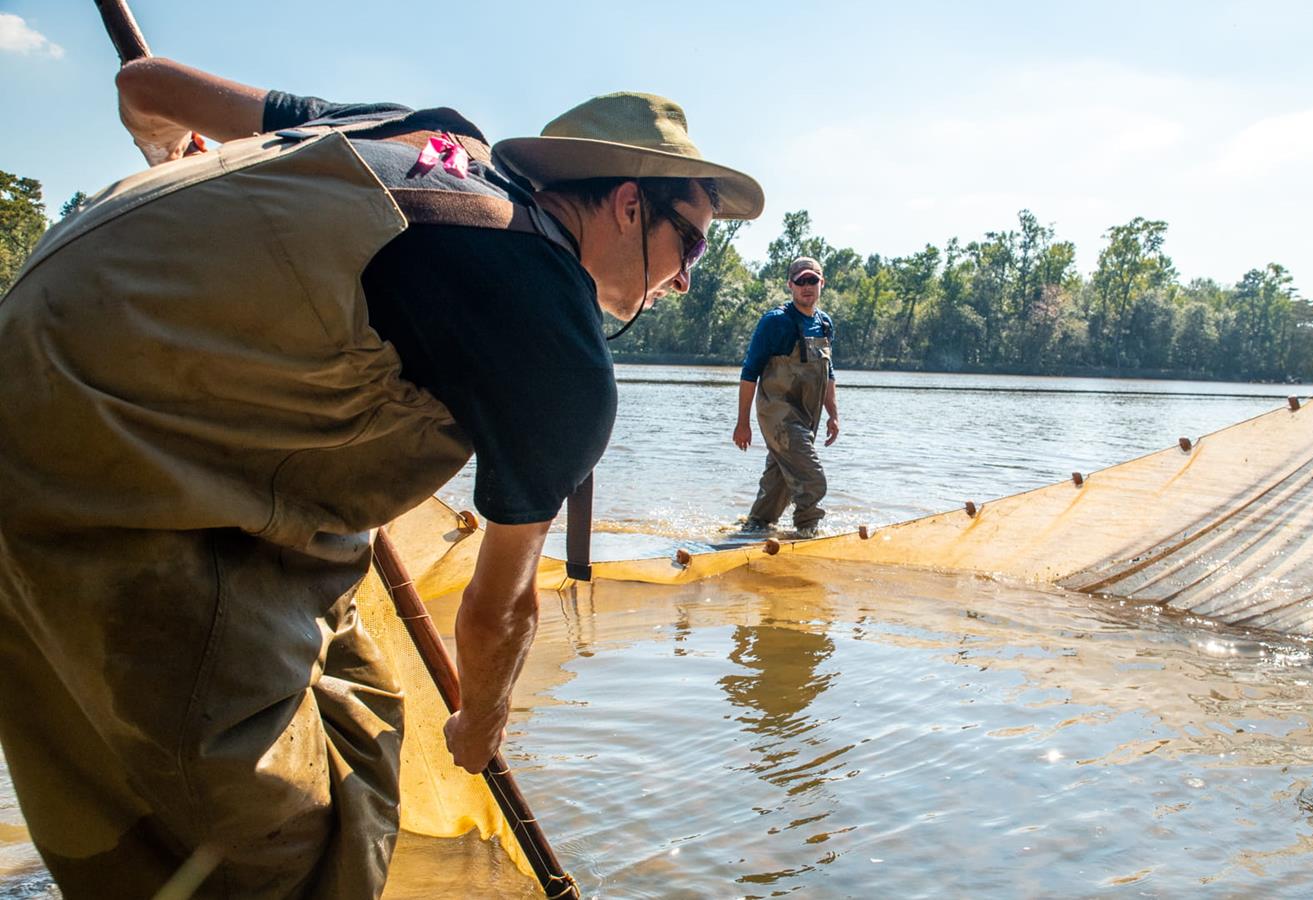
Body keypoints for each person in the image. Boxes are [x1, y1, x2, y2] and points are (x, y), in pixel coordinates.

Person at [0, 56, 761, 898]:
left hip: (69, 337)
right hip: (93, 437)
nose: (687, 275)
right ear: (626, 204)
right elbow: (499, 607)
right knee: (271, 843)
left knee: (363, 705)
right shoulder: (561, 354)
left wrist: (173, 166)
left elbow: (144, 89)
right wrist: (482, 723)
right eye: (689, 240)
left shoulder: (415, 131)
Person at [731, 257, 840, 536]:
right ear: (790, 285)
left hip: (807, 416)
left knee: (778, 481)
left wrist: (834, 415)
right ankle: (807, 532)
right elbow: (749, 372)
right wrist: (743, 422)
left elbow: (828, 373)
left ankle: (754, 528)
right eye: (800, 281)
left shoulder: (824, 323)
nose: (807, 286)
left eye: (812, 280)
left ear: (821, 283)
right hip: (777, 415)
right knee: (812, 479)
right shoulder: (775, 322)